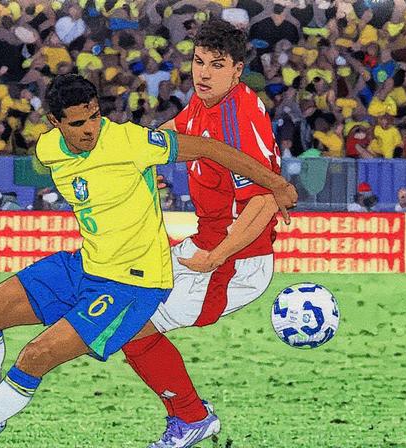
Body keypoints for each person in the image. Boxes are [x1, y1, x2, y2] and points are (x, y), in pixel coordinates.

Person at [0, 74, 296, 448]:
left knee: (35, 356)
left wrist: (276, 184)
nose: (90, 130)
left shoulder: (130, 141)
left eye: (95, 117)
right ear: (55, 122)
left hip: (132, 284)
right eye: (79, 123)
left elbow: (209, 147)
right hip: (86, 265)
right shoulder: (49, 149)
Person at [122, 19, 287, 448]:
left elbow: (265, 199)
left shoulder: (237, 117)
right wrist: (133, 157)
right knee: (118, 302)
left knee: (131, 322)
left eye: (217, 65)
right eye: (198, 62)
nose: (204, 73)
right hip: (205, 244)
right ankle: (189, 417)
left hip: (235, 261)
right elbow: (173, 134)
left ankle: (192, 418)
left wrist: (215, 259)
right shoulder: (204, 104)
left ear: (237, 69)